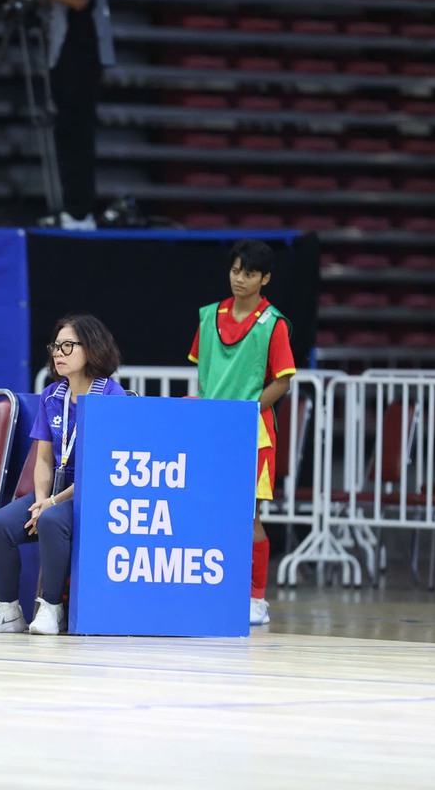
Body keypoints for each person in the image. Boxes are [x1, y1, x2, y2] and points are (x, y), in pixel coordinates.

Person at [0, 313, 123, 635]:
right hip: (54, 491)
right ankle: (8, 609)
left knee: (52, 521)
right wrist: (41, 500)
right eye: (56, 346)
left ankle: (52, 607)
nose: (58, 353)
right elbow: (42, 459)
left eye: (68, 346)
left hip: (94, 492)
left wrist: (52, 504)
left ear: (92, 348)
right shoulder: (52, 395)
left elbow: (99, 469)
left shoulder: (111, 396)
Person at [187, 239, 296, 626]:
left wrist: (245, 412)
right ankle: (213, 590)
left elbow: (283, 381)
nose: (240, 279)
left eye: (249, 273)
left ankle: (256, 597)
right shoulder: (208, 316)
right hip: (209, 431)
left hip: (251, 434)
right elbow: (205, 375)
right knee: (205, 512)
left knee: (247, 518)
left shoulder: (273, 324)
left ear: (265, 279)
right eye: (236, 271)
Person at [44, 0, 115, 230]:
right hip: (62, 47)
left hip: (83, 49)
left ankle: (79, 213)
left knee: (77, 130)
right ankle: (73, 209)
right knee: (66, 131)